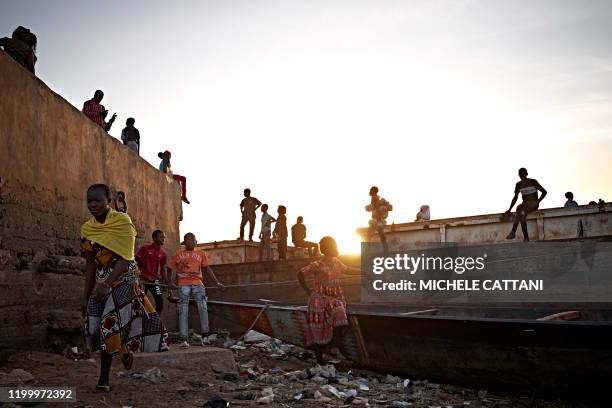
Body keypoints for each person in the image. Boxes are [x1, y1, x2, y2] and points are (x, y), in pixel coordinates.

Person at [81, 184, 168, 392]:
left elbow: (126, 258)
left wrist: (107, 284)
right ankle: (123, 349)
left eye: (97, 200)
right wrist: (85, 296)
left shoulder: (122, 222)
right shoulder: (87, 229)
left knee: (108, 325)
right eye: (89, 200)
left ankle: (103, 380)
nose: (93, 204)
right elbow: (90, 264)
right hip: (102, 283)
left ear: (108, 201)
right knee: (93, 327)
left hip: (124, 281)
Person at [297, 236, 360, 364]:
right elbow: (300, 274)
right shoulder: (317, 265)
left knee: (340, 315)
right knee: (317, 328)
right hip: (319, 300)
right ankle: (320, 361)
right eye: (334, 246)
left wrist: (363, 271)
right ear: (327, 249)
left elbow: (348, 270)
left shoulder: (337, 262)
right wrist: (308, 291)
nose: (336, 248)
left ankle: (334, 347)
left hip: (335, 298)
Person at [168, 232, 224, 348]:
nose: (191, 241)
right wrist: (170, 282)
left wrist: (217, 282)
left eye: (193, 239)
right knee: (183, 309)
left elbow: (207, 269)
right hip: (183, 284)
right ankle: (184, 339)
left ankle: (205, 336)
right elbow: (169, 268)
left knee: (203, 307)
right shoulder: (178, 254)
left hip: (198, 283)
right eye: (189, 239)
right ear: (184, 242)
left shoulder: (201, 253)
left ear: (195, 241)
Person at [505, 168, 547, 241]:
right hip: (524, 205)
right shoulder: (518, 185)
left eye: (523, 173)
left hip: (533, 204)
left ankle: (514, 232)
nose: (522, 175)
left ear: (526, 174)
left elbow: (544, 192)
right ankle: (524, 237)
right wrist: (509, 209)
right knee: (520, 210)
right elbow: (515, 197)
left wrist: (538, 201)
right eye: (520, 174)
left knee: (521, 211)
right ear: (519, 175)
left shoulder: (533, 182)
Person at [136, 230, 170, 313]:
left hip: (154, 281)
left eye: (164, 237)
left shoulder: (163, 254)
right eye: (161, 237)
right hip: (142, 280)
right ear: (154, 238)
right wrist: (143, 275)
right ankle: (141, 322)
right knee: (140, 301)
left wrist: (165, 283)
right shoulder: (144, 249)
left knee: (160, 301)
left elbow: (162, 269)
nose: (163, 239)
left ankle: (156, 321)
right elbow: (135, 263)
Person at [365, 186, 392, 251]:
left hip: (378, 221)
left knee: (369, 235)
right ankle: (385, 249)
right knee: (378, 235)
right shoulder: (373, 199)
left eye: (371, 190)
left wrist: (382, 208)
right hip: (375, 221)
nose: (369, 192)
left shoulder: (380, 200)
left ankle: (367, 251)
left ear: (374, 191)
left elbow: (390, 207)